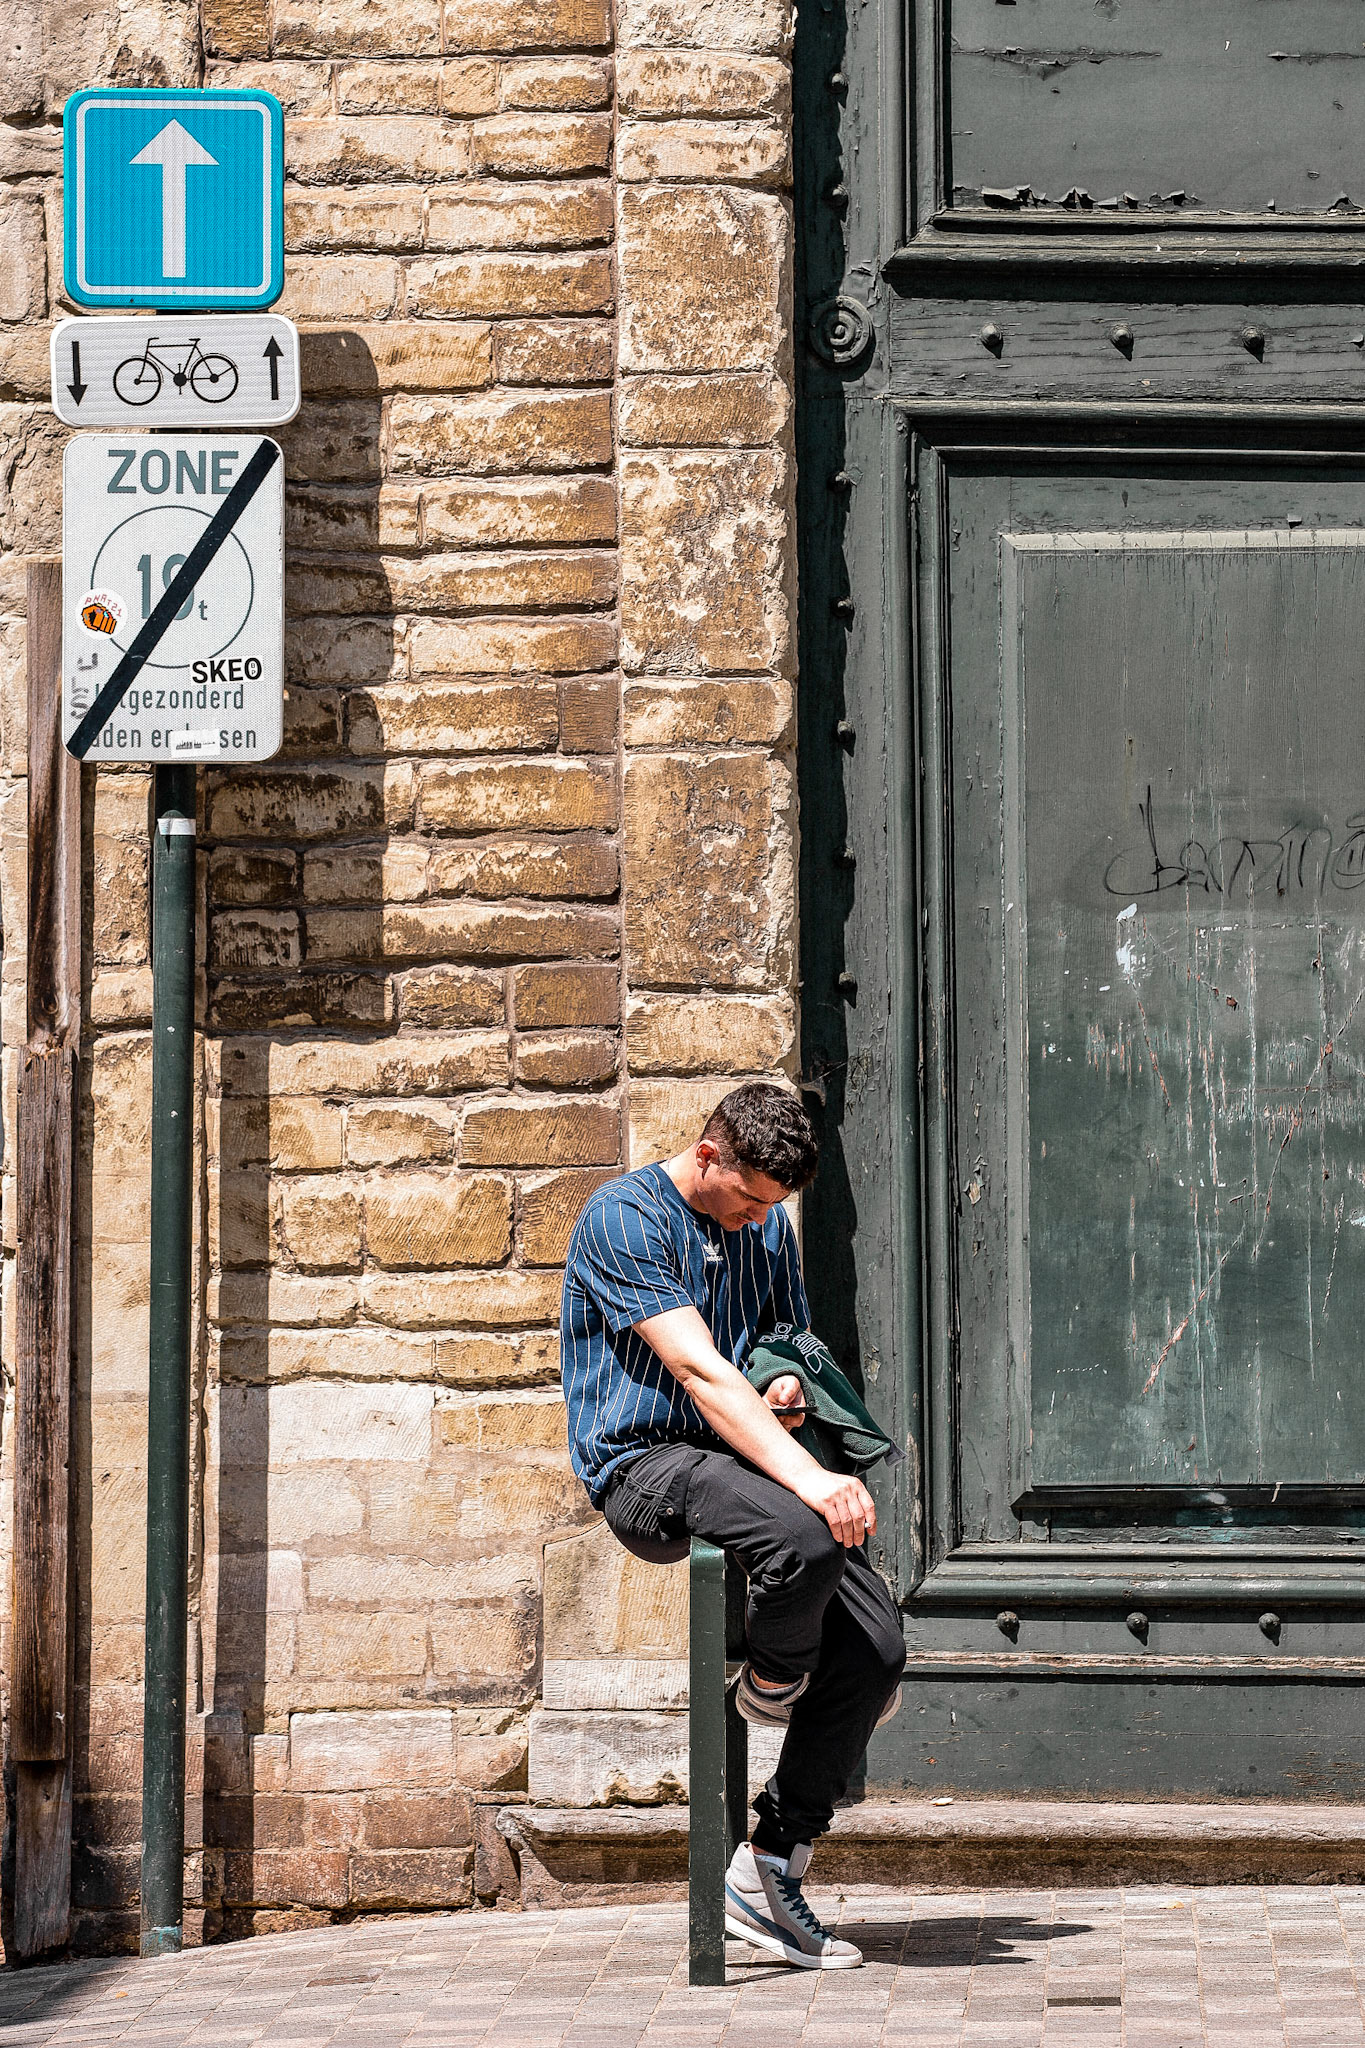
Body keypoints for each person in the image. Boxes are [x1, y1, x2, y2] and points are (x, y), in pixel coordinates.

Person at [561, 1083, 907, 1971]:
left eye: (772, 1207)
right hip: (645, 1463)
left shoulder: (768, 1227)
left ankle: (767, 1867)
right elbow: (699, 1370)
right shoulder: (624, 1218)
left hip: (739, 1464)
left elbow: (779, 1339)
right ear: (708, 1154)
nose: (759, 1219)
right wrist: (813, 1478)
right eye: (749, 1199)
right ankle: (776, 1680)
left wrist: (785, 1380)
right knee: (803, 1538)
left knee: (877, 1652)